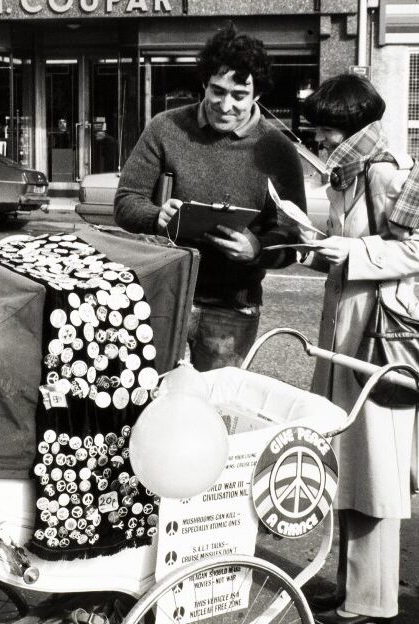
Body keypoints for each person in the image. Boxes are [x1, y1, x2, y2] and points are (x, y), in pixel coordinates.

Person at [113, 24, 306, 371]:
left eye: (238, 95)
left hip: (233, 306)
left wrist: (257, 249)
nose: (225, 104)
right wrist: (155, 216)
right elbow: (126, 201)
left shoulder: (278, 149)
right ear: (204, 84)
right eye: (217, 91)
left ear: (256, 95)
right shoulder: (165, 128)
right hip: (163, 294)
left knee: (215, 410)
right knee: (149, 401)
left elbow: (294, 236)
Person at [298, 73, 419, 624]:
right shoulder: (349, 173)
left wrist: (348, 250)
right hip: (347, 329)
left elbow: (413, 248)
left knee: (374, 466)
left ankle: (372, 599)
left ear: (348, 128)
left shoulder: (385, 173)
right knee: (346, 459)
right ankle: (350, 584)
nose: (318, 142)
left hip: (376, 335)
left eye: (324, 131)